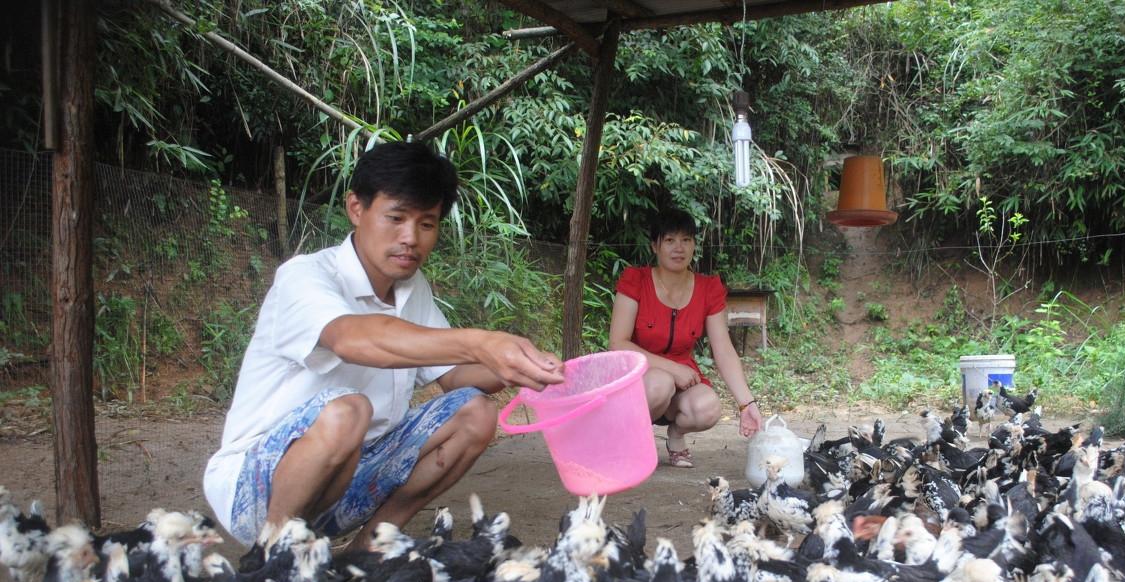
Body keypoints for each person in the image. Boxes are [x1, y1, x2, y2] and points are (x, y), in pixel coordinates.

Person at [203, 141, 563, 547]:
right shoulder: (304, 277)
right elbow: (352, 339)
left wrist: (524, 365)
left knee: (476, 412)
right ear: (356, 208)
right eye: (396, 218)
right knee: (347, 412)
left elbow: (457, 376)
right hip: (256, 486)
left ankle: (366, 552)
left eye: (427, 224)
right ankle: (276, 561)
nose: (410, 238)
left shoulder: (412, 289)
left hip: (351, 475)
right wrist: (481, 342)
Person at [608, 208, 762, 467]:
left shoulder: (708, 288)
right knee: (660, 383)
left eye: (686, 240)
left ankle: (676, 436)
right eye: (669, 240)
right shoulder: (636, 281)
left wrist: (747, 404)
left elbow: (723, 349)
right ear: (655, 246)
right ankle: (628, 439)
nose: (678, 248)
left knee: (708, 407)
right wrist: (672, 369)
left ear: (694, 245)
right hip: (640, 378)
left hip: (681, 380)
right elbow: (617, 343)